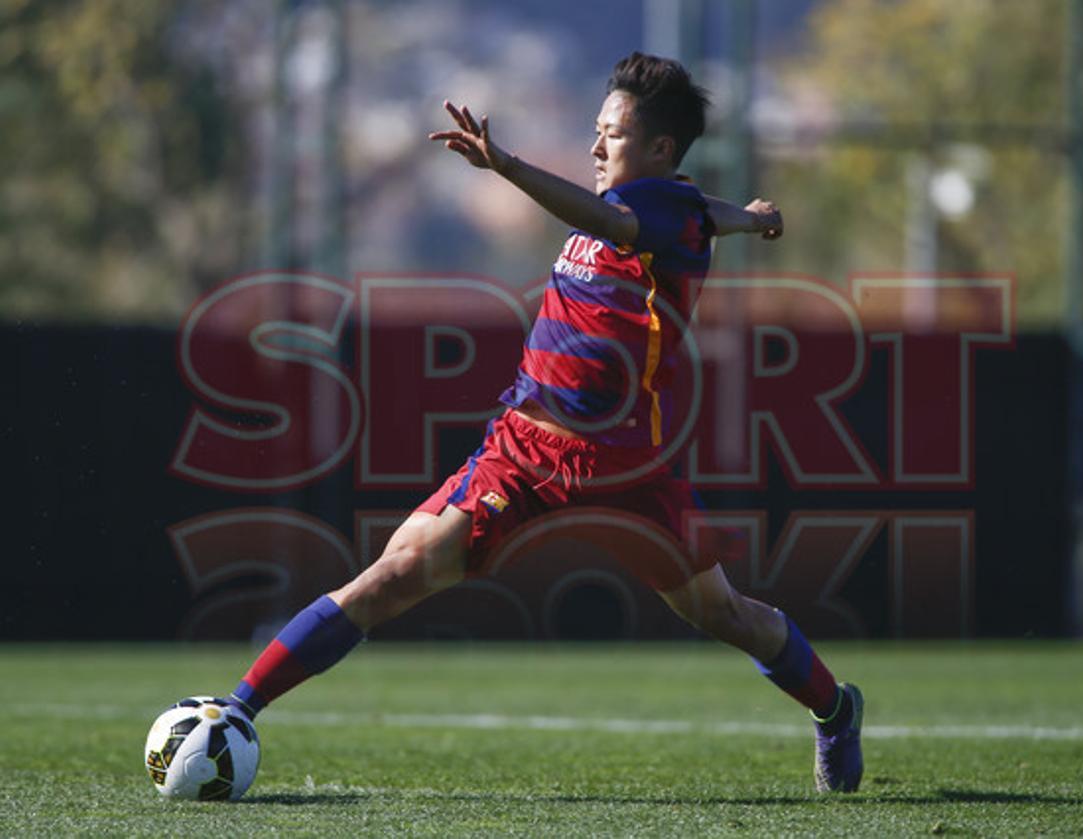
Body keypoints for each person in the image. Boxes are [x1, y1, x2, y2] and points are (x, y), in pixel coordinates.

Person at [224, 52, 864, 793]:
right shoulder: (680, 210)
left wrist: (506, 165)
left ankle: (834, 708)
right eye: (595, 130)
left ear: (658, 149)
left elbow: (620, 218)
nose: (595, 147)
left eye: (612, 134)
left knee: (724, 613)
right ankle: (237, 709)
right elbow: (705, 216)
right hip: (523, 452)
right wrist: (751, 219)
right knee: (392, 573)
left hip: (626, 466)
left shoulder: (650, 210)